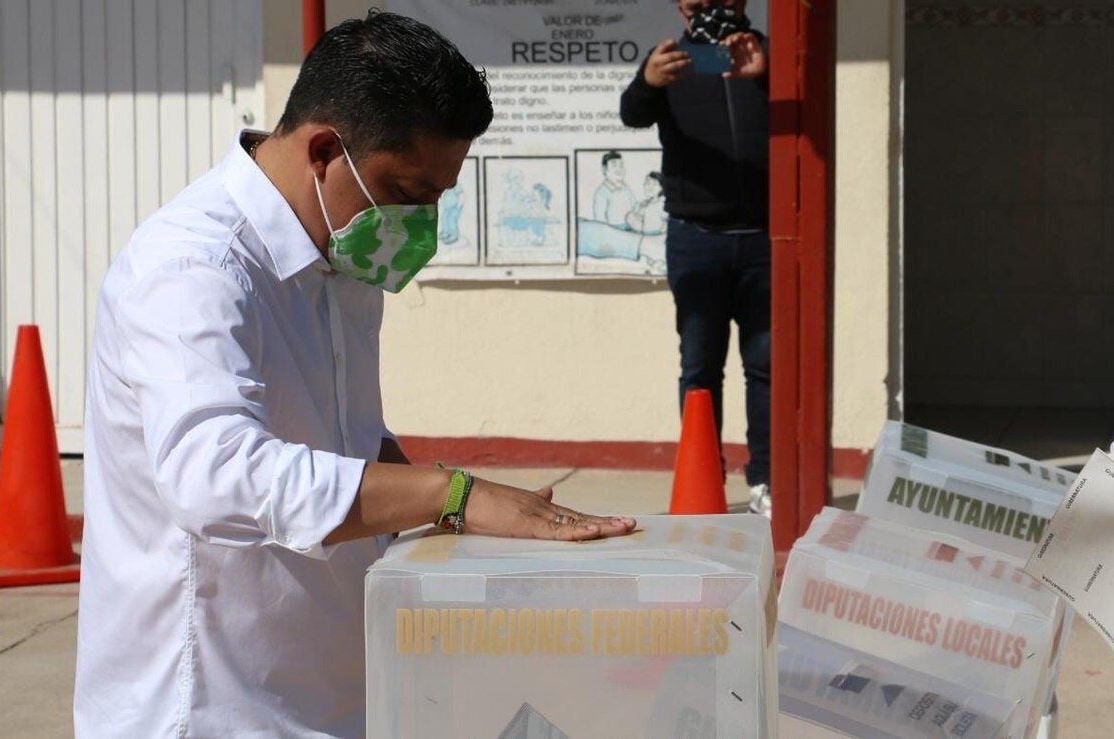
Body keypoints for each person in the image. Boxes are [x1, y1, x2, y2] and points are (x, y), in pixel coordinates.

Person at [73, 12, 635, 738]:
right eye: (410, 190)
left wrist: (457, 507)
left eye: (439, 194)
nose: (425, 218)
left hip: (323, 689)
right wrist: (449, 490)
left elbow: (341, 433)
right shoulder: (194, 269)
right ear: (323, 151)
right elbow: (212, 475)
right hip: (213, 705)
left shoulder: (339, 254)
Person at [619, 0, 772, 515]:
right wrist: (647, 81)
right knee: (700, 366)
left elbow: (808, 119)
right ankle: (706, 481)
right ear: (683, 9)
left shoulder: (766, 56)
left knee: (765, 366)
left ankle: (765, 481)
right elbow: (632, 114)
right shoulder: (670, 63)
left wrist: (764, 78)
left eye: (723, 2)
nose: (712, 11)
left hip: (763, 240)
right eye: (700, 3)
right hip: (696, 237)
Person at [591, 150, 636, 228]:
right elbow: (600, 219)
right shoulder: (602, 192)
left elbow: (634, 207)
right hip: (613, 231)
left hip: (631, 228)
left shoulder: (626, 188)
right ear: (604, 169)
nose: (618, 169)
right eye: (614, 165)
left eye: (621, 165)